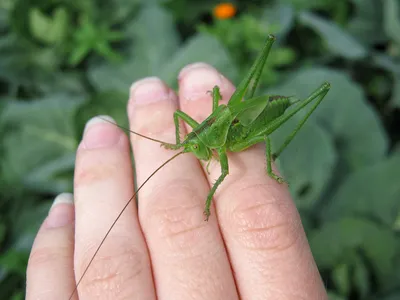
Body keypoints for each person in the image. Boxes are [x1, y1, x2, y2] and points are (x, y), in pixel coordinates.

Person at [26, 63, 328, 299]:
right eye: (191, 145)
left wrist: (211, 198)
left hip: (252, 121)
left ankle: (283, 146)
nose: (194, 151)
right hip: (229, 116)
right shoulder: (197, 135)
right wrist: (181, 143)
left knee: (265, 134)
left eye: (194, 146)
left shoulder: (224, 150)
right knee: (222, 111)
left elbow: (224, 172)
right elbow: (180, 115)